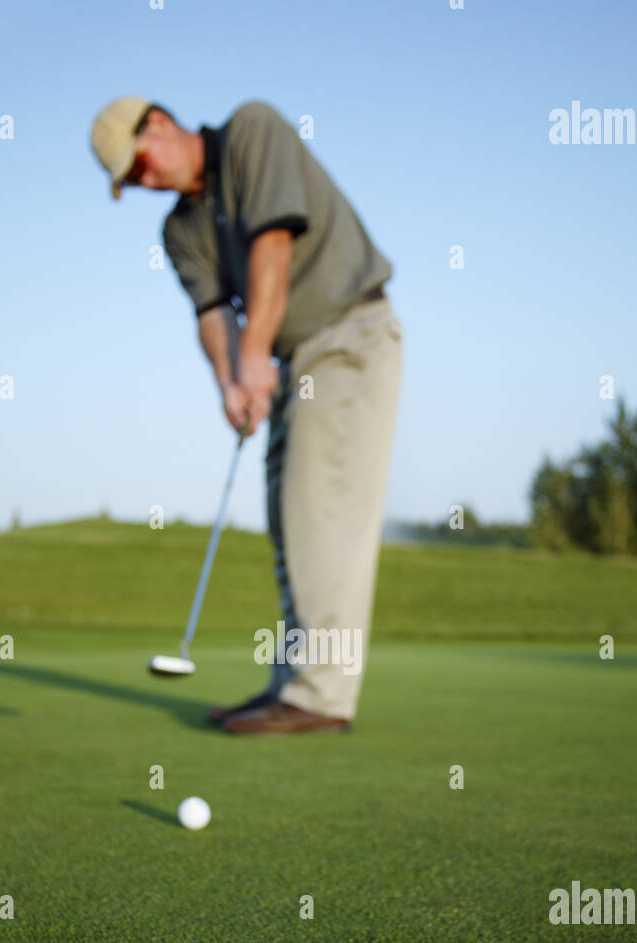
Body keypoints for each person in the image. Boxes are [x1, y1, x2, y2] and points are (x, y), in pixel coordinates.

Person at [90, 97, 402, 734]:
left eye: (140, 165)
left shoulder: (251, 130)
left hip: (350, 334)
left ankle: (322, 694)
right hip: (293, 361)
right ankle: (291, 683)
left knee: (321, 515)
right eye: (130, 181)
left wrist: (255, 352)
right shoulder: (179, 231)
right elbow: (212, 314)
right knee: (289, 523)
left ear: (159, 124)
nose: (143, 182)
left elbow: (274, 245)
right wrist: (232, 382)